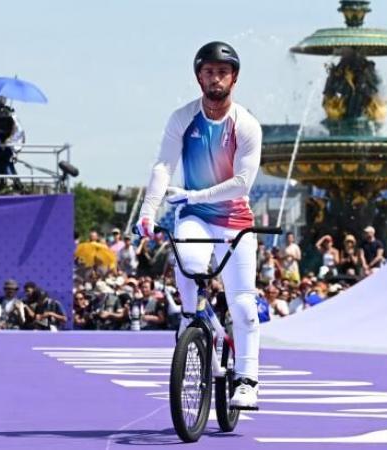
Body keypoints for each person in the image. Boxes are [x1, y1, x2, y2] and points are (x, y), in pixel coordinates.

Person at [136, 41, 263, 409]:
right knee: (189, 265)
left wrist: (192, 196)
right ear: (199, 77)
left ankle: (247, 381)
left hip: (235, 220)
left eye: (222, 72)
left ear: (234, 78)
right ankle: (191, 319)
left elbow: (242, 183)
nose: (215, 78)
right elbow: (163, 165)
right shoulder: (182, 117)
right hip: (196, 218)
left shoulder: (247, 125)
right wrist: (148, 212)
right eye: (208, 72)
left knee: (243, 305)